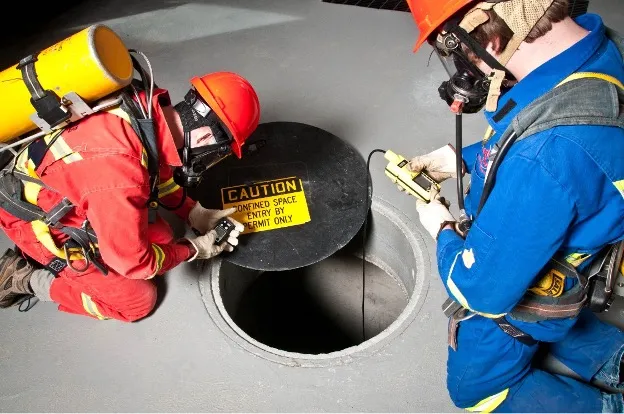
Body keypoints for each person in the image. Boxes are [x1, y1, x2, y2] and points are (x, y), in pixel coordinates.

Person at [404, 0, 624, 411]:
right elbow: (544, 123)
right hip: (585, 239)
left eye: (456, 52)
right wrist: (464, 160)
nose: (462, 70)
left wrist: (444, 229)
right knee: (565, 291)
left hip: (535, 273)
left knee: (477, 392)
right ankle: (613, 356)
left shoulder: (544, 158)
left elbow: (482, 290)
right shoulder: (600, 50)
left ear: (490, 36)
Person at [0, 71, 260, 322]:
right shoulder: (119, 175)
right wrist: (193, 249)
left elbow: (161, 168)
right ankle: (25, 278)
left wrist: (193, 212)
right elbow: (135, 264)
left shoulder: (144, 108)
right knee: (137, 299)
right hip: (33, 219)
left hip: (65, 184)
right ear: (205, 135)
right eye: (218, 150)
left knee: (163, 236)